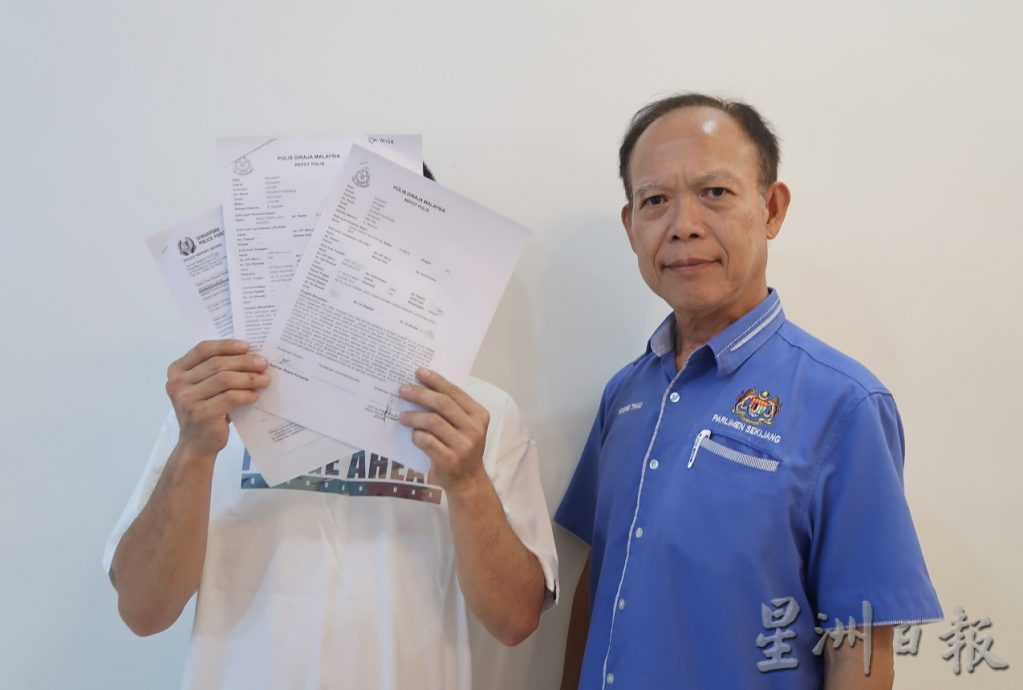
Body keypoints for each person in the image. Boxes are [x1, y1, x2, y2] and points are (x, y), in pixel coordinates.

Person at [104, 170, 558, 690]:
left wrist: (469, 481)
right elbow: (142, 610)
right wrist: (193, 449)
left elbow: (515, 620)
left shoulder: (479, 415)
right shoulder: (212, 408)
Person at [556, 94, 942, 689]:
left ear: (772, 208)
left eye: (714, 192)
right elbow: (601, 581)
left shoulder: (845, 406)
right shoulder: (625, 395)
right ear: (631, 226)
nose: (683, 225)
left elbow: (860, 649)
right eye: (655, 200)